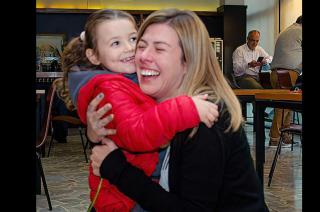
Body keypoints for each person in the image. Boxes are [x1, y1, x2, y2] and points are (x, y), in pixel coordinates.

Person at [88, 8, 269, 211]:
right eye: (141, 46)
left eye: (159, 49)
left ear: (188, 61)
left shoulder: (207, 116)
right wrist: (96, 133)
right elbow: (119, 141)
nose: (141, 56)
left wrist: (117, 169)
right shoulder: (149, 100)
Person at [61, 9, 219, 211]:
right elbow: (136, 130)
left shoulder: (128, 80)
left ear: (188, 58)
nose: (130, 49)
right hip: (125, 200)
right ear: (93, 56)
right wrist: (187, 108)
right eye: (116, 43)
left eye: (134, 39)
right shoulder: (111, 88)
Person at [269, 15, 302, 146]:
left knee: (287, 105)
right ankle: (275, 138)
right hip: (287, 73)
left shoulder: (287, 30)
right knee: (283, 107)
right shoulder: (300, 31)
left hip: (275, 73)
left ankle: (285, 136)